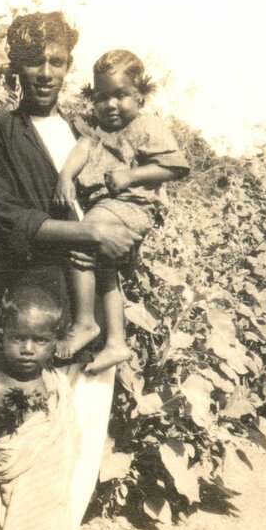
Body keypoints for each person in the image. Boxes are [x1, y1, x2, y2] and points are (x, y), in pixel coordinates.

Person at [0, 11, 139, 530]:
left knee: (79, 440)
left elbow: (125, 201)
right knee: (25, 445)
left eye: (57, 61)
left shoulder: (88, 133)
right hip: (35, 309)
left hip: (91, 301)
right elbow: (7, 219)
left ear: (69, 67)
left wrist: (115, 231)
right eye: (34, 62)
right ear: (15, 66)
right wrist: (90, 234)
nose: (46, 73)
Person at [53, 50, 190, 373]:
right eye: (101, 97)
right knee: (104, 271)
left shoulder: (146, 126)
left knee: (83, 238)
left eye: (120, 95)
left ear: (140, 95)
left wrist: (131, 175)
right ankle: (116, 342)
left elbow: (175, 166)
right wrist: (65, 177)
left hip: (131, 205)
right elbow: (81, 148)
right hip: (107, 206)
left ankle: (85, 322)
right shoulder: (97, 129)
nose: (110, 105)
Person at [0, 284, 81, 530]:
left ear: (54, 342)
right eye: (17, 338)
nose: (27, 348)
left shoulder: (55, 383)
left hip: (47, 502)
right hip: (6, 501)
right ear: (2, 336)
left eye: (40, 340)